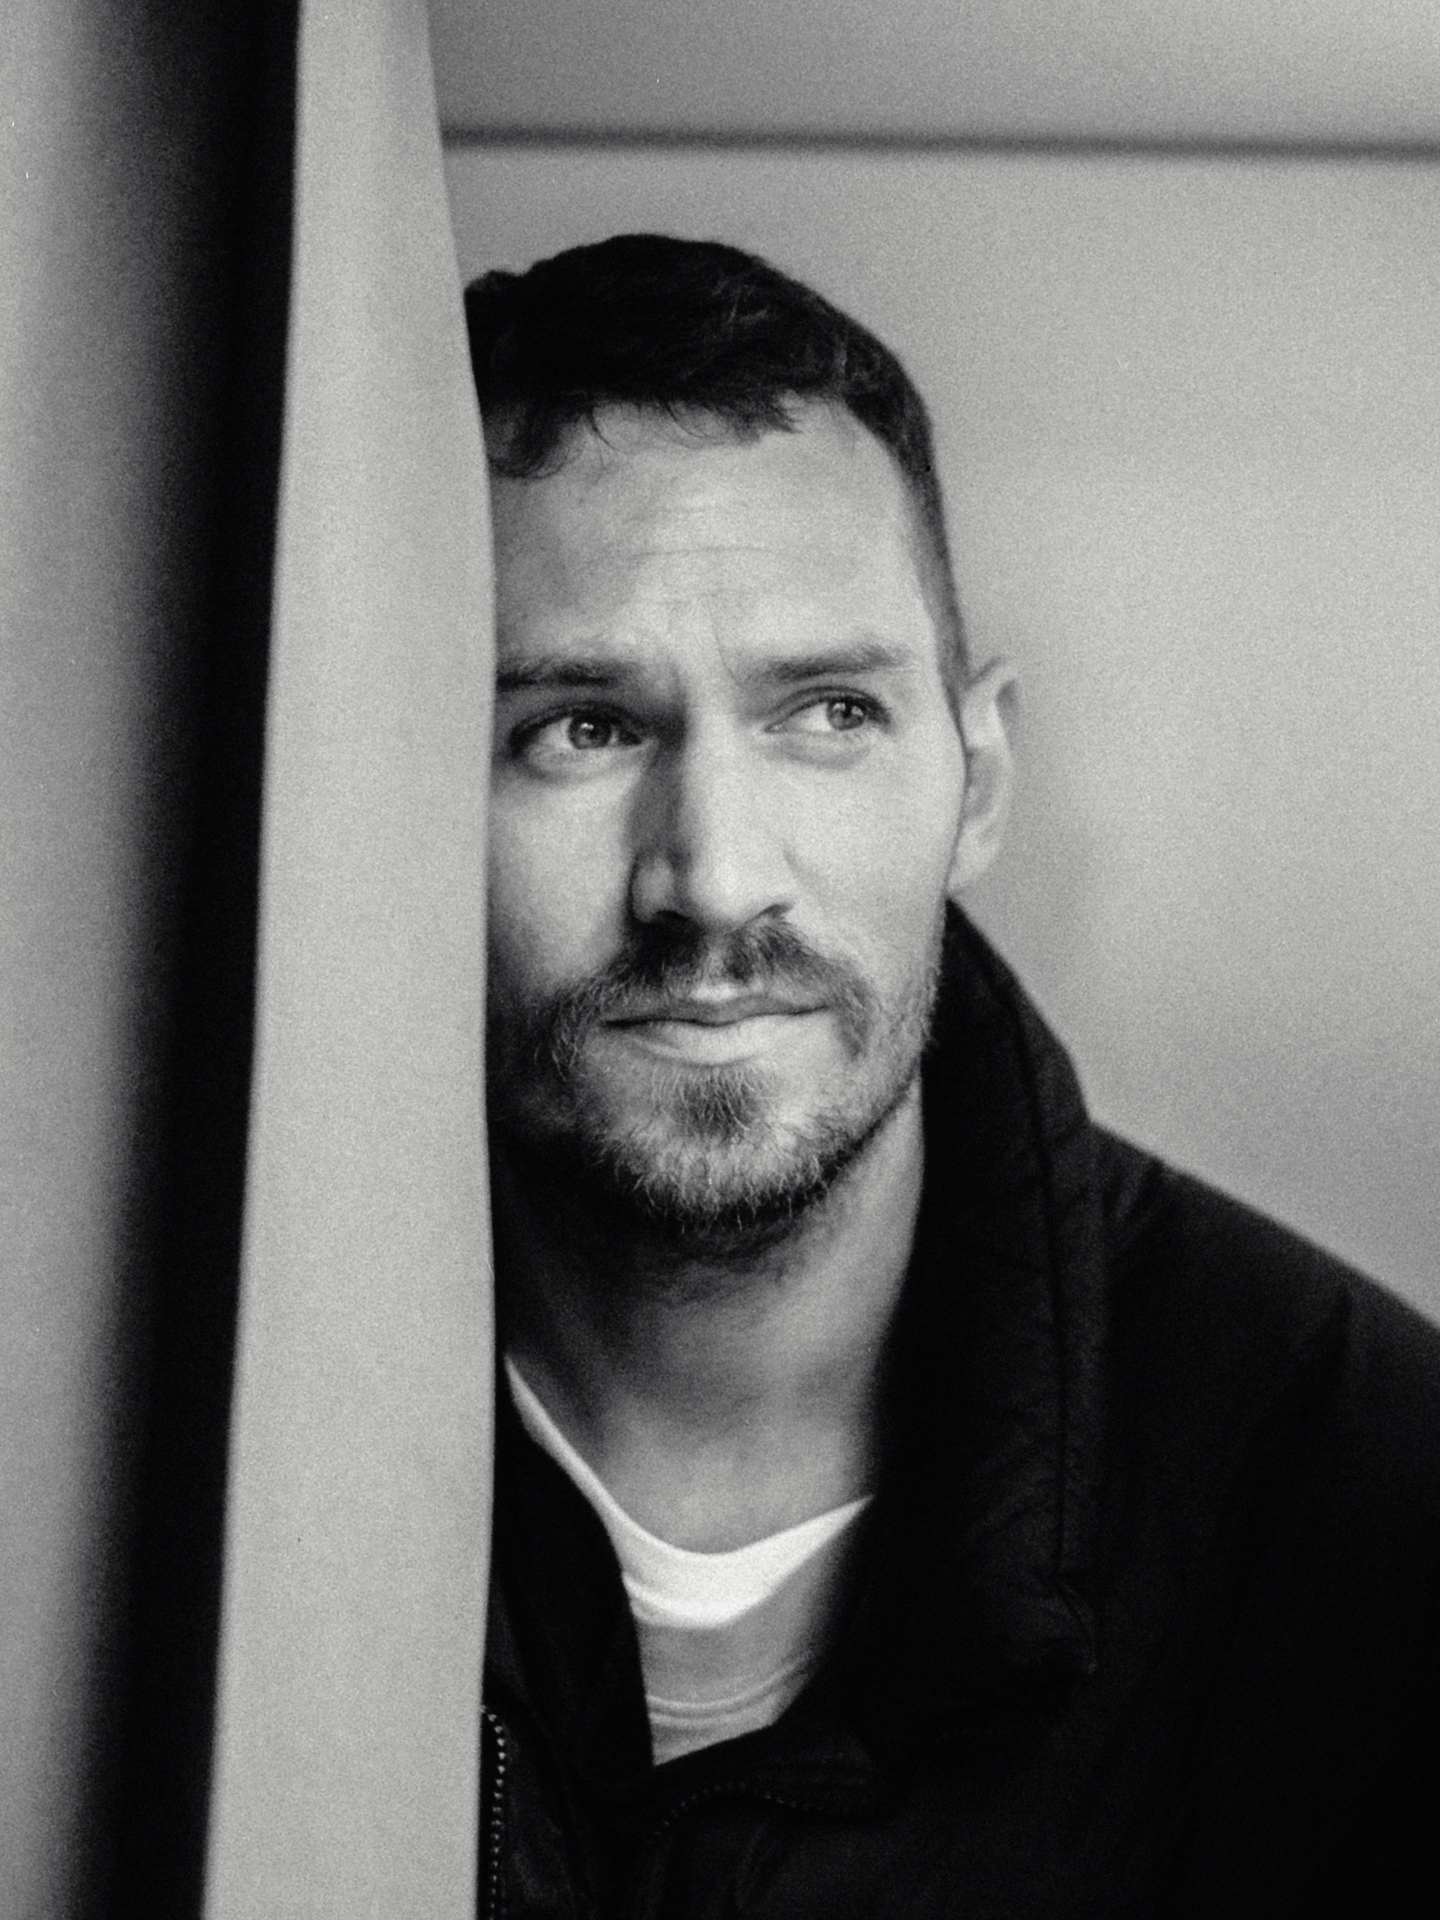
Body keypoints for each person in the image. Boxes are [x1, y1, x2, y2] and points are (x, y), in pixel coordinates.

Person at [465, 234, 1440, 1919]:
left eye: (827, 713)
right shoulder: (147, 1437)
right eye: (581, 728)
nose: (712, 879)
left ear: (975, 781)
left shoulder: (1375, 1522)